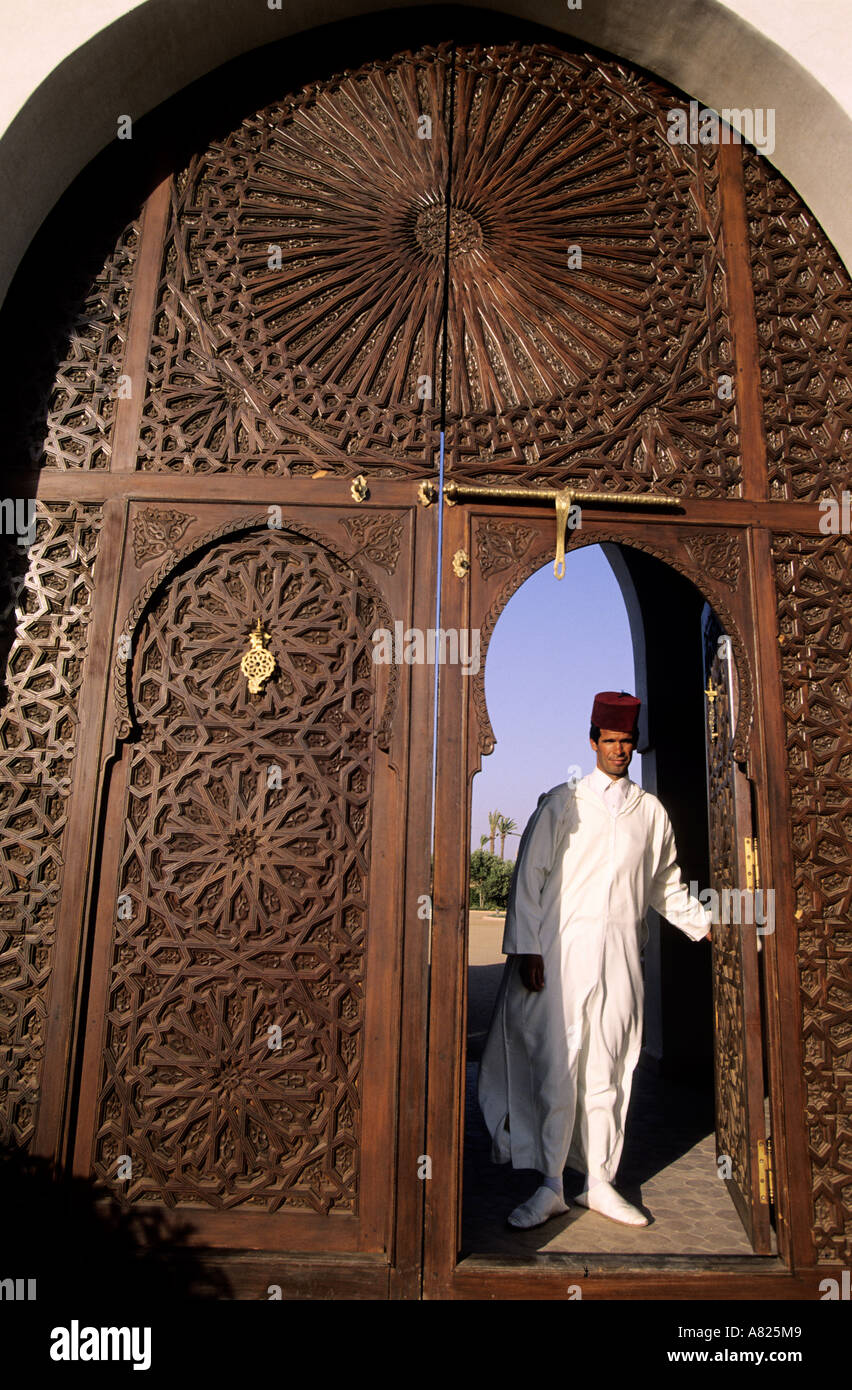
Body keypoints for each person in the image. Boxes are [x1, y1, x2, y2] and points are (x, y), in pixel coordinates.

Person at [477, 690, 712, 1230]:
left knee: (611, 1066)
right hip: (561, 958)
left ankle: (601, 1183)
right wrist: (530, 947)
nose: (619, 751)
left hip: (621, 962)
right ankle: (553, 1184)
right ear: (592, 742)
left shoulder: (649, 813)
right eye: (609, 741)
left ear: (633, 745)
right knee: (559, 1067)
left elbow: (665, 886)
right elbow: (529, 879)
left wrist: (707, 925)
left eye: (627, 742)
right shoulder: (565, 802)